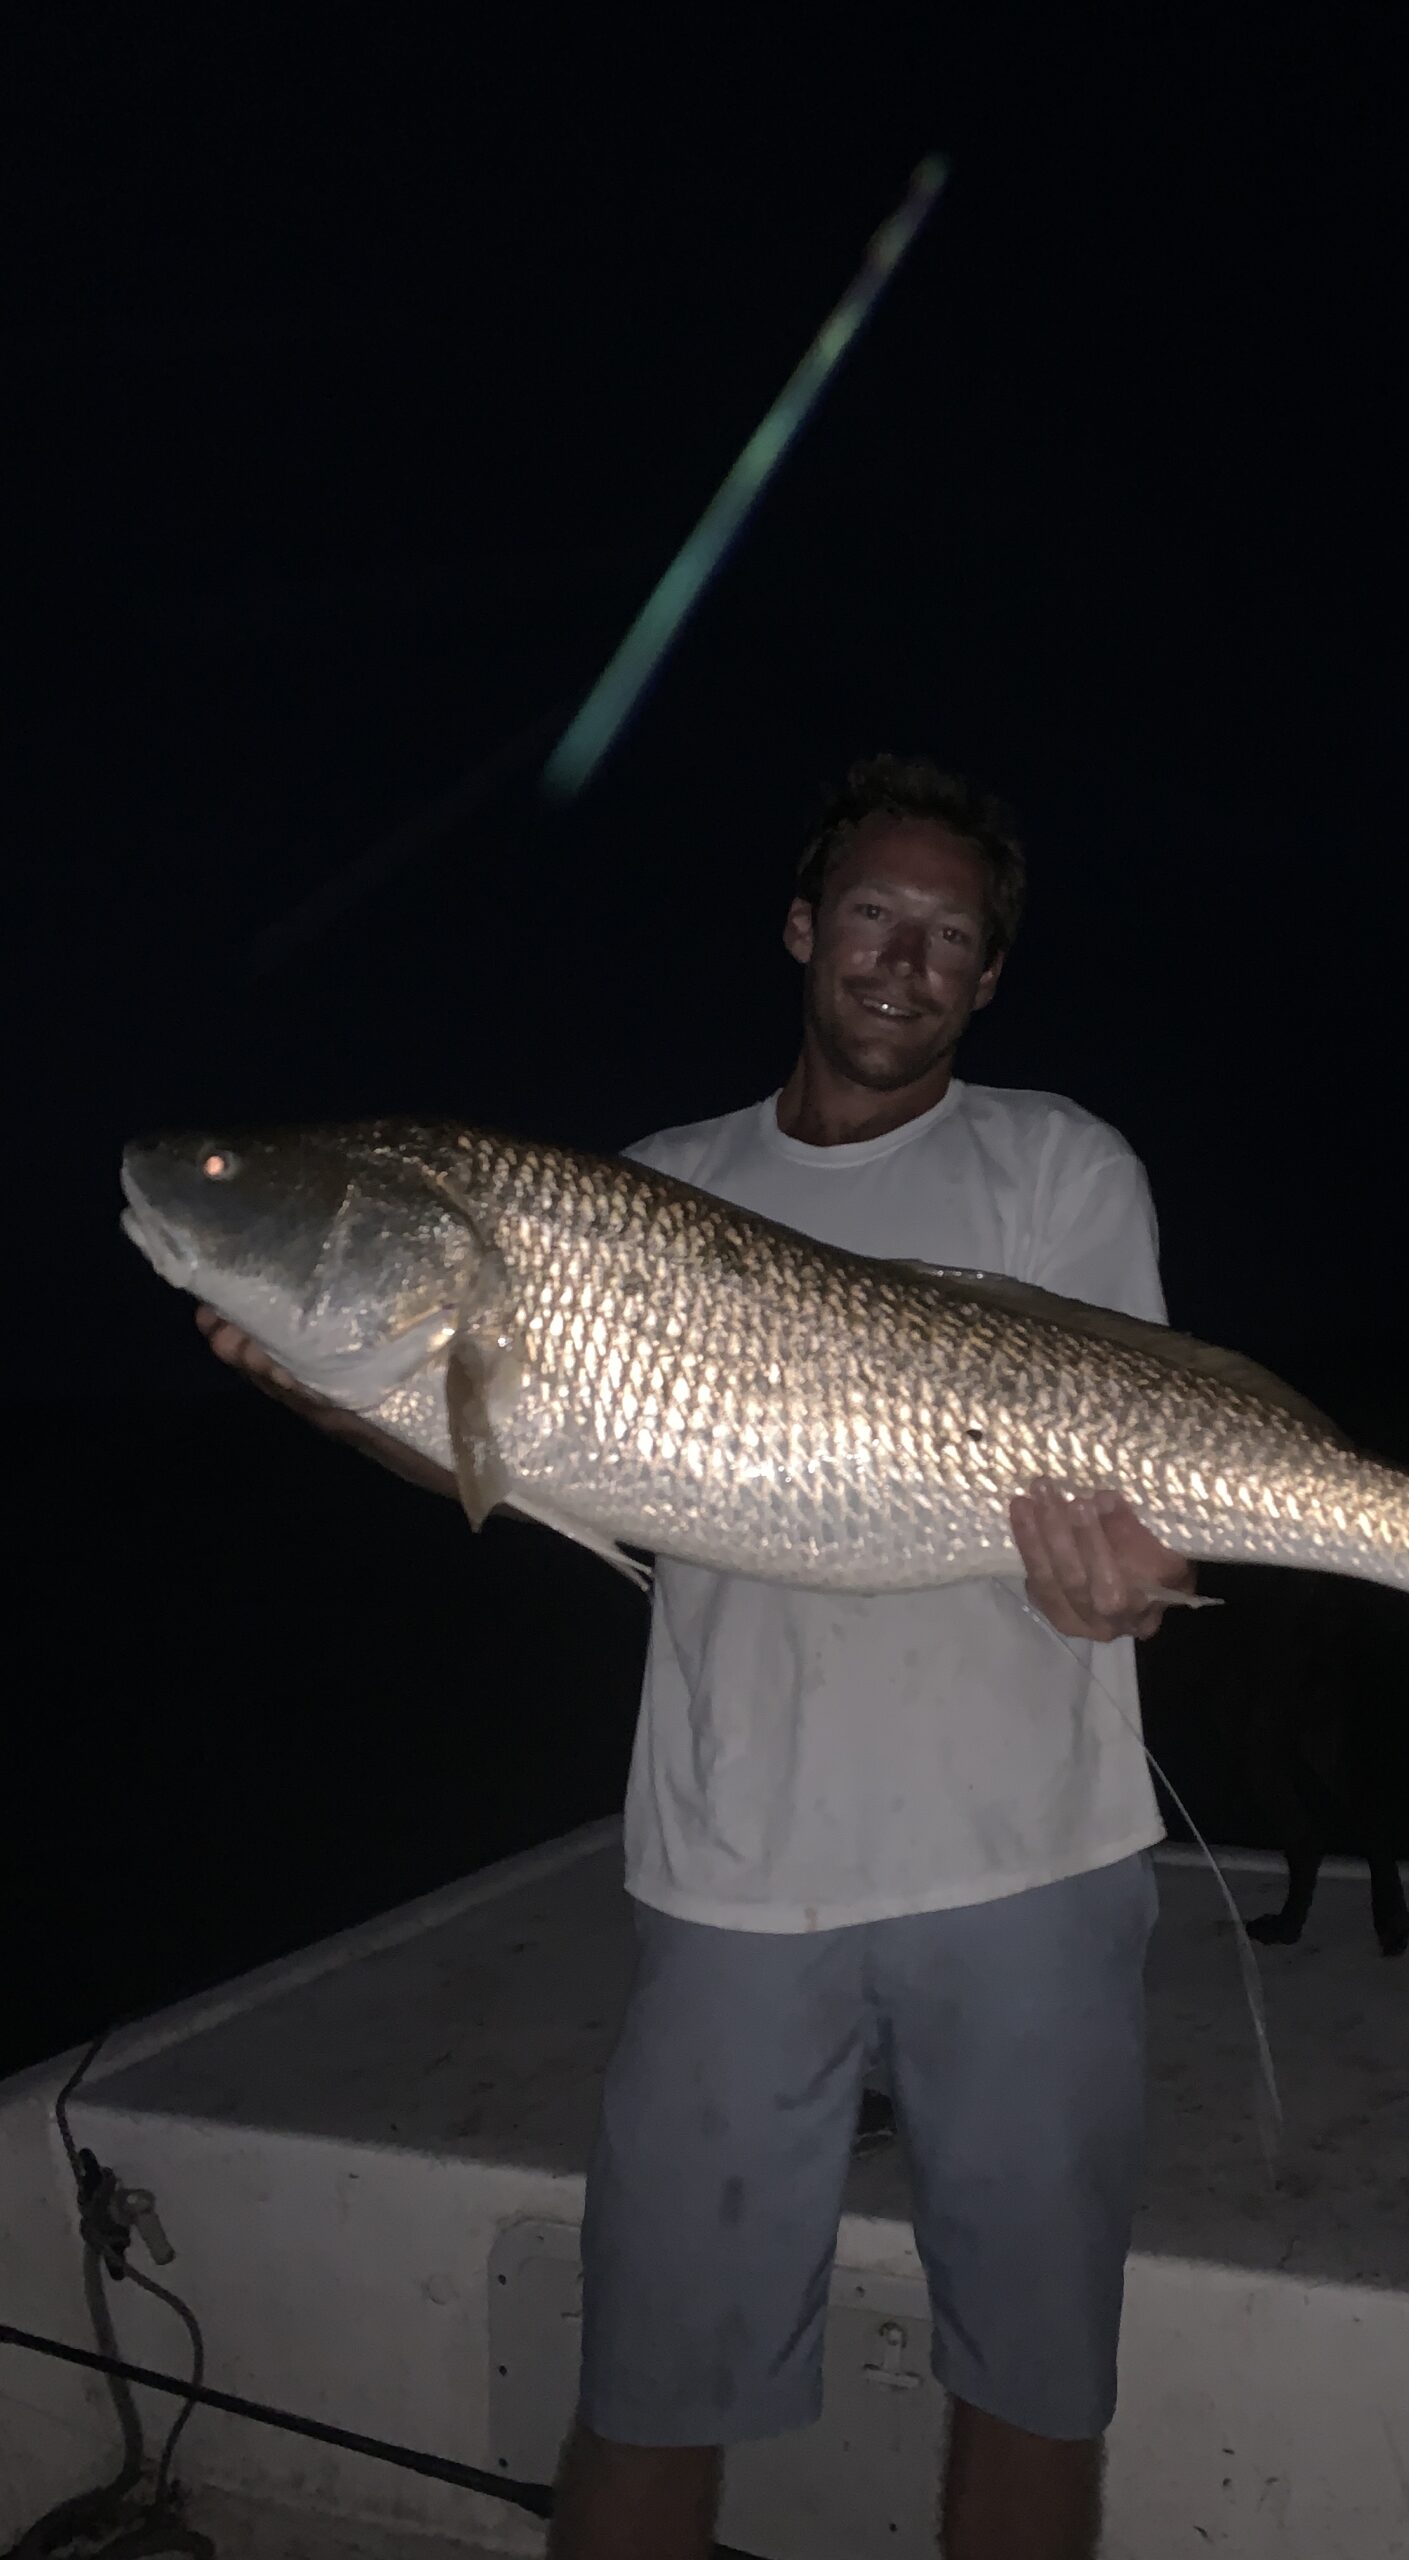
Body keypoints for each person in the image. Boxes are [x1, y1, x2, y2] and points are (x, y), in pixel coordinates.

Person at [199, 754, 1193, 2560]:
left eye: (949, 936)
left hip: (1029, 1868)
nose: (905, 959)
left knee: (1034, 2383)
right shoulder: (656, 1185)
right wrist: (331, 1396)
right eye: (876, 915)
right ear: (805, 931)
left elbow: (1132, 1470)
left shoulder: (1057, 1166)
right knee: (651, 2384)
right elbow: (524, 1455)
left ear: (986, 981)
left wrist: (1118, 1584)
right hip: (738, 1876)